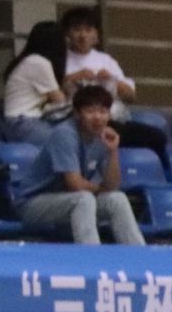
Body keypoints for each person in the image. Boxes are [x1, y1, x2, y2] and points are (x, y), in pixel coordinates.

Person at [14, 84, 145, 247]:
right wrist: (101, 189)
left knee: (117, 199)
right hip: (33, 204)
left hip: (69, 201)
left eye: (103, 112)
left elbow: (113, 185)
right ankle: (91, 257)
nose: (98, 117)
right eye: (90, 111)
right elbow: (75, 184)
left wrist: (113, 151)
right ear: (77, 114)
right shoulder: (64, 134)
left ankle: (140, 256)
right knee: (83, 198)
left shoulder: (104, 137)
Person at [58, 7, 170, 156]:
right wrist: (74, 78)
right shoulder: (59, 60)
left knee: (157, 137)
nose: (83, 35)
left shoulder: (106, 60)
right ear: (67, 33)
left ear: (96, 34)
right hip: (77, 121)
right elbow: (51, 95)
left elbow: (131, 96)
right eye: (77, 30)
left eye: (88, 30)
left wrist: (112, 80)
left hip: (111, 120)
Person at [1, 20, 71, 146]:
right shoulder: (38, 62)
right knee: (66, 141)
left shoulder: (30, 60)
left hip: (21, 122)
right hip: (23, 123)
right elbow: (59, 100)